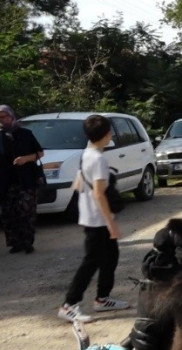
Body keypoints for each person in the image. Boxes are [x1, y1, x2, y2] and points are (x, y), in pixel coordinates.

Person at [58, 115, 130, 323]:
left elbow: (78, 183)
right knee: (91, 262)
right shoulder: (98, 159)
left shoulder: (87, 153)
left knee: (111, 256)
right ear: (107, 134)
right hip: (97, 219)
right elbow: (99, 193)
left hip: (92, 215)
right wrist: (111, 224)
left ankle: (102, 298)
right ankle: (69, 305)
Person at [0, 105, 44, 254]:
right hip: (6, 181)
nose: (3, 120)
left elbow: (40, 153)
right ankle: (16, 243)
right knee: (10, 213)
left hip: (26, 179)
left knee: (26, 211)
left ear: (11, 115)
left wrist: (26, 158)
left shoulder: (25, 133)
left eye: (5, 116)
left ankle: (28, 243)